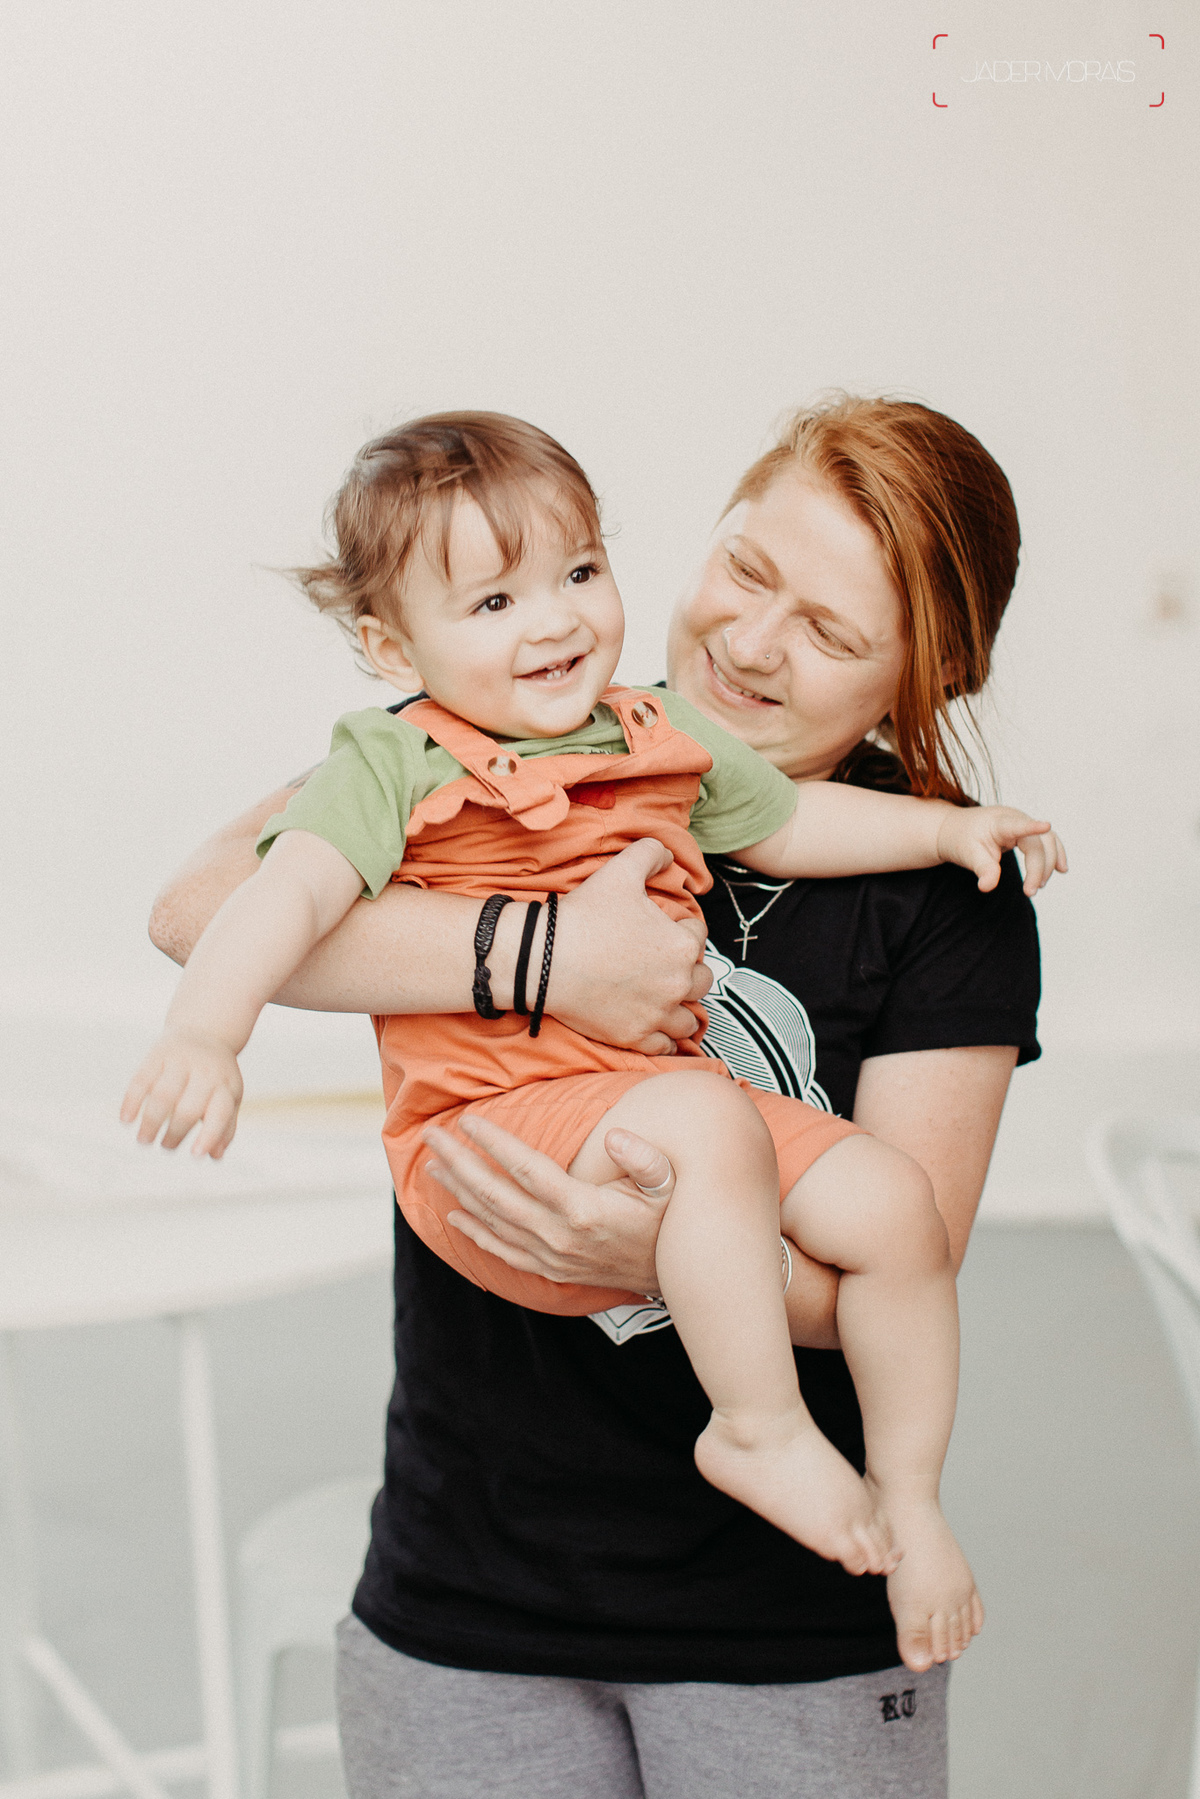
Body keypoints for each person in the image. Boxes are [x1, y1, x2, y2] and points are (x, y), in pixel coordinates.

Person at [147, 395, 1049, 1798]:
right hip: (474, 1593)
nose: (752, 644)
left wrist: (660, 1257)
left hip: (778, 1627)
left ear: (917, 680)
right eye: (749, 573)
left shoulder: (934, 904)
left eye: (829, 634)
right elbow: (205, 907)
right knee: (696, 1119)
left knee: (879, 1205)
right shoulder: (461, 738)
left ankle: (847, 1478)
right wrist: (550, 955)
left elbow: (905, 1258)